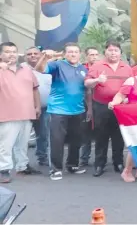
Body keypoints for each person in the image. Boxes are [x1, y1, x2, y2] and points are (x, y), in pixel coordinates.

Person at [36, 43, 89, 180]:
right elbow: (40, 69)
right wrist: (44, 57)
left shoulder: (83, 69)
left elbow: (87, 89)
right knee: (57, 140)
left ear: (80, 54)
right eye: (70, 52)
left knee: (76, 140)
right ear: (65, 54)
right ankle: (55, 169)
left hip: (78, 110)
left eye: (76, 52)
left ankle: (72, 165)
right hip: (58, 110)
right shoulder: (58, 65)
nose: (73, 54)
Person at [85, 41, 133, 177]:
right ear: (105, 52)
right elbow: (87, 83)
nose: (113, 53)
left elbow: (131, 86)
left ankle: (118, 162)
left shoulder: (126, 67)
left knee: (119, 136)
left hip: (120, 107)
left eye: (116, 50)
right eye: (110, 50)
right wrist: (97, 80)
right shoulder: (97, 66)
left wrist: (126, 98)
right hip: (101, 105)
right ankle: (100, 164)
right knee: (101, 136)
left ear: (120, 53)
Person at [0, 42, 42, 183]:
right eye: (7, 51)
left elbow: (34, 89)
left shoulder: (26, 70)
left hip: (27, 112)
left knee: (22, 143)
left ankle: (22, 166)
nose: (11, 54)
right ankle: (4, 170)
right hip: (7, 114)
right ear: (1, 55)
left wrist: (37, 107)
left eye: (13, 51)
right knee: (6, 144)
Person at [23, 46, 52, 167]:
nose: (33, 56)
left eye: (36, 53)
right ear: (25, 57)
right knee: (22, 137)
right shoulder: (21, 68)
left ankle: (42, 157)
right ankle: (23, 162)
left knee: (43, 134)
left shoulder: (48, 68)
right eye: (29, 54)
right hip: (25, 108)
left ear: (40, 55)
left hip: (45, 107)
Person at [80, 47, 98, 167]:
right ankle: (84, 159)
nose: (94, 57)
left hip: (99, 104)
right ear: (86, 56)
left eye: (96, 54)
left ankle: (99, 159)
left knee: (99, 133)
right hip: (84, 105)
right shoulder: (82, 69)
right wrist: (89, 107)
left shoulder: (101, 69)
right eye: (91, 55)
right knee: (85, 133)